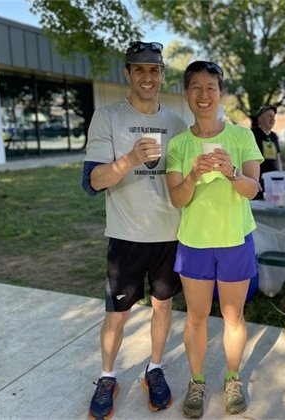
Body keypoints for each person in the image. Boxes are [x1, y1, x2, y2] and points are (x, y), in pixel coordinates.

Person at [82, 41, 187, 419]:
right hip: (125, 235)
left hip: (168, 236)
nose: (147, 76)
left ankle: (154, 369)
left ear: (162, 75)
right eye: (139, 69)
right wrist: (128, 159)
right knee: (117, 314)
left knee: (163, 308)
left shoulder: (177, 125)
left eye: (154, 69)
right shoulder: (107, 117)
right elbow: (92, 181)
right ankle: (107, 376)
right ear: (127, 73)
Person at [166, 61, 263, 418]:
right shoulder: (178, 145)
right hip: (193, 244)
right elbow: (177, 198)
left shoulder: (241, 137)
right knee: (195, 318)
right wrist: (192, 175)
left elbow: (253, 190)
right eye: (196, 87)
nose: (203, 95)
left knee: (233, 317)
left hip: (235, 241)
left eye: (211, 87)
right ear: (187, 94)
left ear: (221, 93)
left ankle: (233, 378)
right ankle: (196, 381)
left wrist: (230, 171)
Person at [251, 105, 283, 199]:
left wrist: (281, 176)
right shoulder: (253, 134)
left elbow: (278, 158)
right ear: (260, 119)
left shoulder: (274, 136)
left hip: (273, 180)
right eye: (269, 116)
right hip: (258, 180)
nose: (272, 119)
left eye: (274, 116)